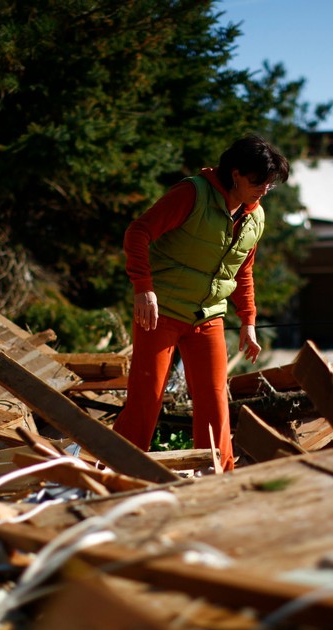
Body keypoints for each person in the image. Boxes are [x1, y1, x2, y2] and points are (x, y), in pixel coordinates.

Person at [112, 135, 290, 471]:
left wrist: (248, 319)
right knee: (146, 400)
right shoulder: (191, 193)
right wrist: (143, 287)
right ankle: (121, 469)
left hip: (207, 317)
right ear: (235, 173)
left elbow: (243, 270)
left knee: (215, 400)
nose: (263, 190)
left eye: (269, 184)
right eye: (258, 181)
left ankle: (216, 475)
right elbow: (138, 232)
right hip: (160, 311)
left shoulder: (256, 218)